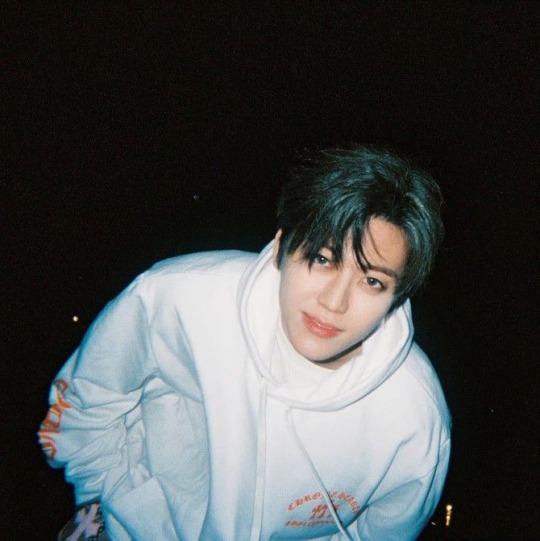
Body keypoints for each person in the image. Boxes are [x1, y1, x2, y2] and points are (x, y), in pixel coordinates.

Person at [39, 145, 451, 541]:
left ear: (396, 297)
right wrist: (107, 499)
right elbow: (87, 400)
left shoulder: (414, 417)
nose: (334, 302)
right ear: (280, 247)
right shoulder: (179, 300)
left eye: (372, 281)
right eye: (323, 259)